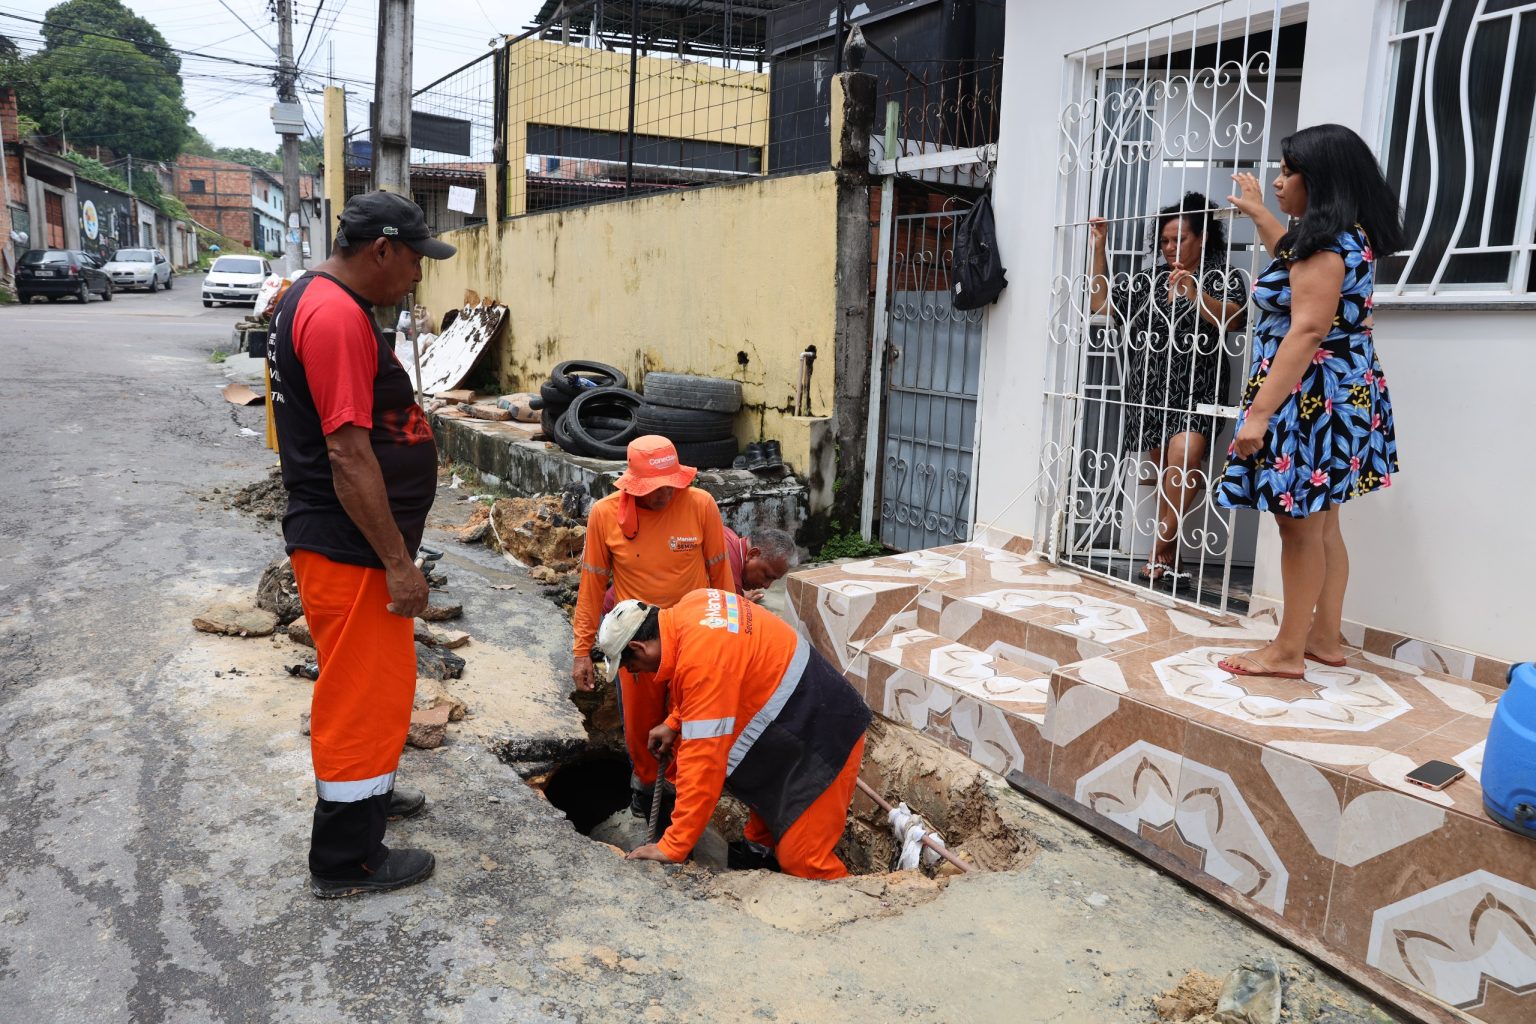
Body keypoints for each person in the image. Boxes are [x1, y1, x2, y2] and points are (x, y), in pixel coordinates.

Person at [269, 190, 457, 898]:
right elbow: (348, 455)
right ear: (381, 249)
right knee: (360, 697)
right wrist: (399, 564)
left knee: (378, 687)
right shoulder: (336, 317)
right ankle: (348, 858)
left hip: (346, 544)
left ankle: (368, 797)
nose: (416, 277)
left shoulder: (319, 301)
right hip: (351, 549)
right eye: (414, 261)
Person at [1214, 124, 1406, 679]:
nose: (1279, 181)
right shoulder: (1346, 237)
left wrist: (1258, 415)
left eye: (1289, 171)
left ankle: (1287, 652)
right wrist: (1257, 213)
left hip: (1310, 403)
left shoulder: (1325, 247)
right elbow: (1295, 262)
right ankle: (1324, 638)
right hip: (1342, 396)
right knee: (1323, 525)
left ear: (1318, 181)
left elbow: (1307, 329)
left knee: (1298, 528)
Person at [593, 592, 871, 879]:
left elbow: (703, 763)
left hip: (826, 740)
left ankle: (858, 915)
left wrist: (673, 846)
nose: (636, 673)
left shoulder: (702, 662)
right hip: (800, 720)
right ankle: (756, 869)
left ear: (640, 647)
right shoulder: (692, 607)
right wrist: (675, 721)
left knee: (803, 859)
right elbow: (712, 679)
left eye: (630, 666)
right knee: (761, 829)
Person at [1089, 193, 1247, 584]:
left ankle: (1157, 547)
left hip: (1199, 391)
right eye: (1165, 241)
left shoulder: (1221, 275)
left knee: (1186, 457)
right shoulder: (1151, 279)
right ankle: (1168, 562)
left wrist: (1196, 293)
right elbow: (1102, 305)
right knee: (1167, 477)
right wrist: (1099, 248)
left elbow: (1235, 320)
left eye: (1180, 239)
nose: (1171, 247)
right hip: (1152, 391)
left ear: (1204, 237)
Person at [571, 435, 735, 812]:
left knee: (692, 725)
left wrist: (726, 640)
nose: (666, 495)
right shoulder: (605, 515)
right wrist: (582, 652)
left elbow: (722, 578)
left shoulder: (700, 504)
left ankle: (685, 803)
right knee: (640, 729)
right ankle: (646, 796)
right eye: (656, 488)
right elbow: (591, 588)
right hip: (636, 644)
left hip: (694, 640)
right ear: (633, 483)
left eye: (671, 485)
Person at [600, 524, 799, 612]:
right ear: (753, 554)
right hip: (626, 619)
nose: (766, 585)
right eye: (767, 575)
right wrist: (735, 600)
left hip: (624, 605)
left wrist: (736, 596)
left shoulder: (728, 536)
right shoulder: (726, 568)